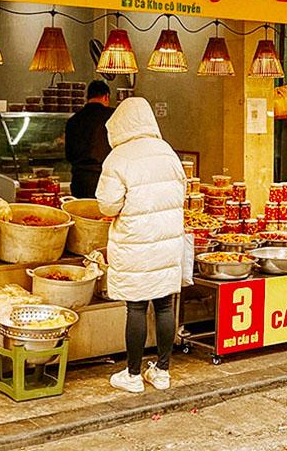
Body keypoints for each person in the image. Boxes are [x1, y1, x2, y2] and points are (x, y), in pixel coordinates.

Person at [97, 97, 187, 394]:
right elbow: (181, 191)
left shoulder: (119, 158)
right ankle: (161, 371)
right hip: (167, 240)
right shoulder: (168, 152)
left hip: (135, 241)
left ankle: (133, 375)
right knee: (163, 305)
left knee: (135, 307)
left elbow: (108, 205)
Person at [65, 81, 116, 199]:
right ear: (106, 96)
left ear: (87, 97)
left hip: (80, 181)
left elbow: (69, 155)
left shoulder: (73, 120)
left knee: (81, 216)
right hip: (107, 179)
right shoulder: (113, 116)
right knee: (104, 216)